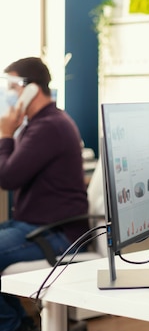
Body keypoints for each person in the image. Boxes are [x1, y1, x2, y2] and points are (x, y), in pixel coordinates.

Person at [0, 57, 89, 331]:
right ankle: (21, 325)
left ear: (32, 89)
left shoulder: (48, 127)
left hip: (57, 234)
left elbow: (8, 177)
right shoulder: (44, 122)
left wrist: (5, 134)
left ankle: (17, 327)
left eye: (12, 87)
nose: (9, 95)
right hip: (38, 226)